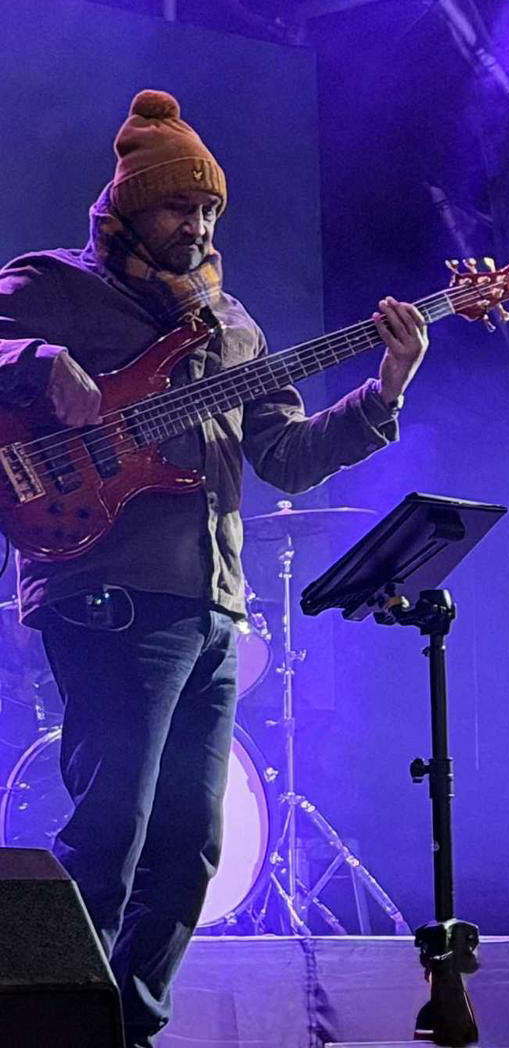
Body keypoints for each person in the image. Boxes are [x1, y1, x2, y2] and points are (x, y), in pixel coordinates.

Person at [0, 90, 428, 1046]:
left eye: (206, 210)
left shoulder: (230, 324)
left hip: (213, 609)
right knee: (109, 830)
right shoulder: (56, 286)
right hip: (105, 589)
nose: (195, 225)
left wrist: (384, 390)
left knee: (192, 846)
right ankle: (45, 1025)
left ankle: (126, 1028)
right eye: (176, 206)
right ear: (128, 207)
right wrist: (36, 359)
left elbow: (286, 457)